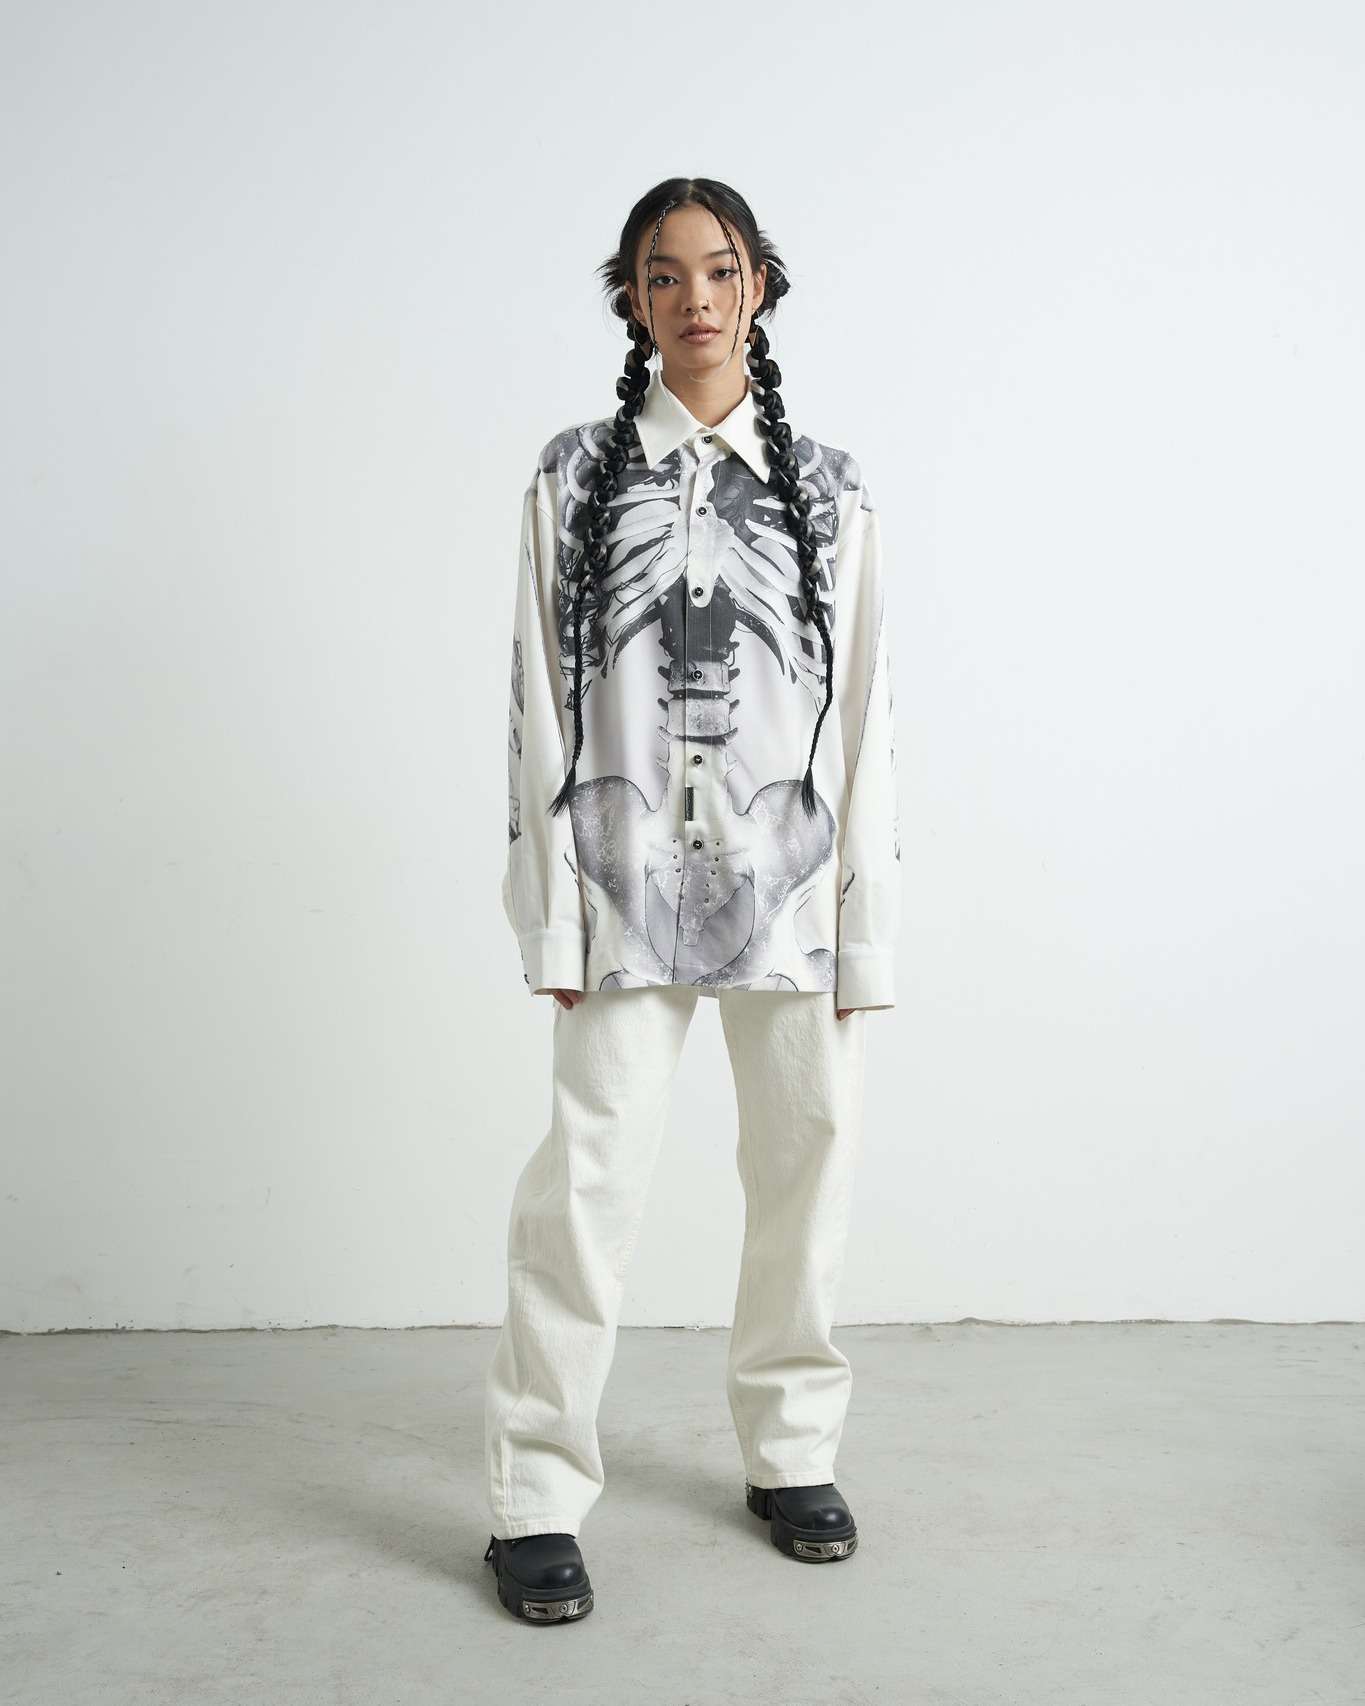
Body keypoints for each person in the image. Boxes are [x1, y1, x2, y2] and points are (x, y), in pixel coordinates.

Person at [482, 177, 902, 1623]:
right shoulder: (572, 477)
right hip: (621, 884)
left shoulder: (831, 489)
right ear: (633, 301)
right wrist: (548, 912)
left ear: (759, 286)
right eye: (664, 276)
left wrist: (866, 927)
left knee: (807, 1166)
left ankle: (792, 1452)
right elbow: (535, 708)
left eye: (719, 271)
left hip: (791, 886)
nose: (696, 299)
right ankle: (536, 1492)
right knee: (585, 1185)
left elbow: (868, 719)